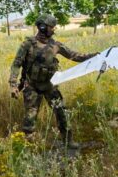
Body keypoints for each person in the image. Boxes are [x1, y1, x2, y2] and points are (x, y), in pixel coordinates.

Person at [9, 14, 97, 154]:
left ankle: (68, 141)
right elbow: (16, 64)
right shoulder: (28, 44)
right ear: (42, 27)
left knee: (61, 112)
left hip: (50, 86)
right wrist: (13, 85)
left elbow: (75, 55)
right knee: (30, 116)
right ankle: (28, 145)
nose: (54, 29)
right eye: (52, 27)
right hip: (31, 86)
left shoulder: (56, 45)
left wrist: (95, 56)